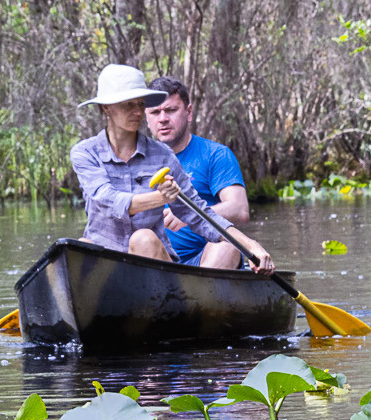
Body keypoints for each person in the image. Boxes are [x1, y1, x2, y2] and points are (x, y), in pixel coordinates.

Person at [68, 63, 274, 273]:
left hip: (156, 267)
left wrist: (249, 245)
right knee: (81, 246)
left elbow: (198, 212)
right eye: (128, 105)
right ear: (106, 108)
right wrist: (161, 198)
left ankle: (180, 300)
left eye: (140, 103)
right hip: (109, 269)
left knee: (144, 238)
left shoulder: (162, 154)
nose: (138, 111)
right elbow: (107, 200)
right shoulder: (85, 153)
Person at [145, 75, 251, 270]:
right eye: (155, 112)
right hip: (155, 263)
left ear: (189, 112)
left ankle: (199, 297)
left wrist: (187, 214)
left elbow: (240, 209)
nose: (162, 119)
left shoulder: (215, 155)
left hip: (202, 262)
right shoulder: (136, 159)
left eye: (170, 110)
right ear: (146, 117)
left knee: (228, 247)